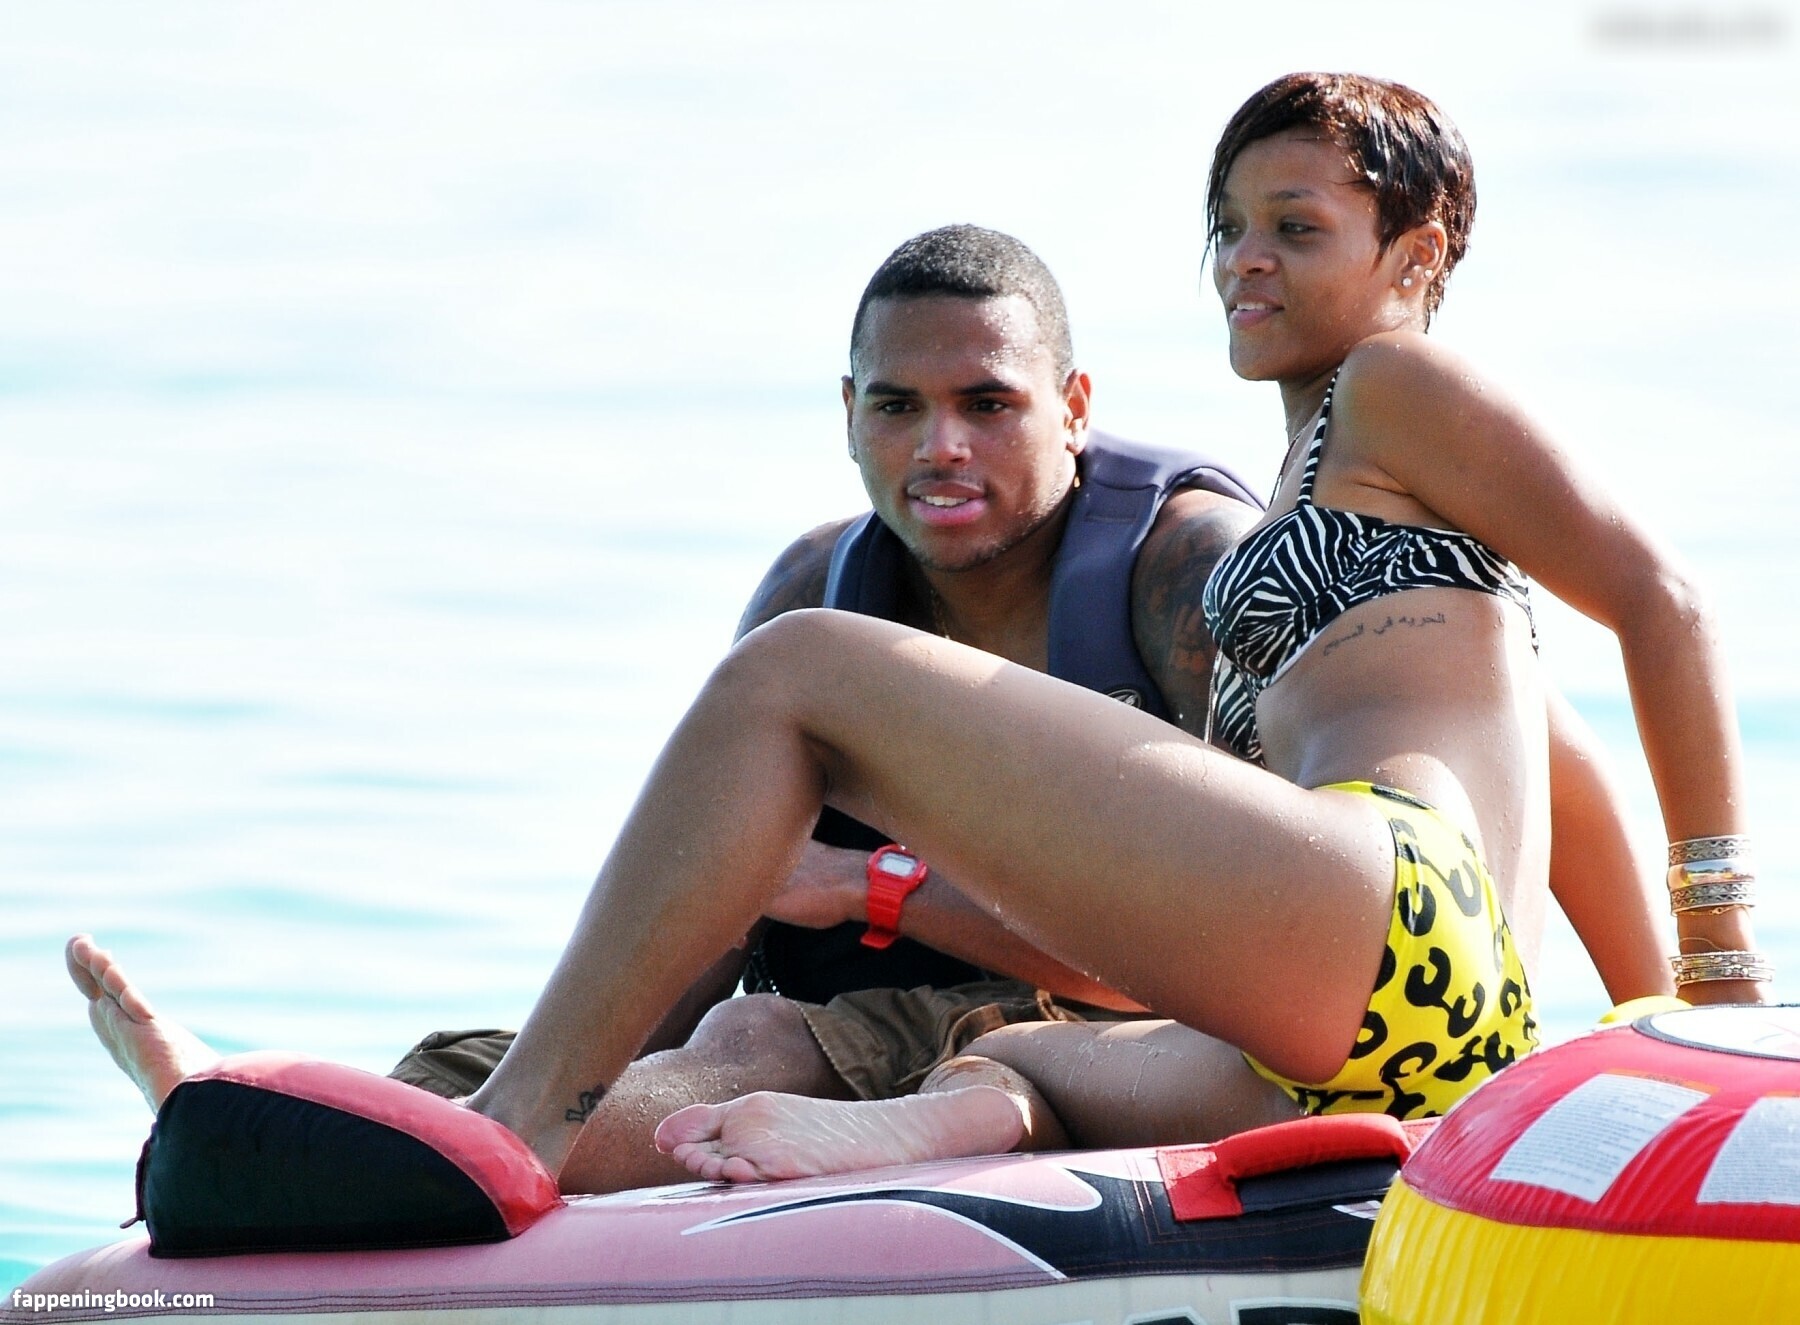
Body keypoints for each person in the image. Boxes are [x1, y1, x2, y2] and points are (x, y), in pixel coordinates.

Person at [70, 127, 1701, 1191]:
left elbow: (1517, 724)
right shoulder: (837, 575)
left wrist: (1696, 999)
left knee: (784, 981)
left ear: (1075, 409)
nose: (941, 449)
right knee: (716, 1043)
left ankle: (495, 1139)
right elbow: (705, 911)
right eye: (897, 407)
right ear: (843, 413)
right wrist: (610, 1050)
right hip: (1174, 1028)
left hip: (1181, 997)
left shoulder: (1204, 562)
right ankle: (298, 1125)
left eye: (988, 403)